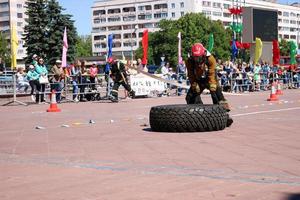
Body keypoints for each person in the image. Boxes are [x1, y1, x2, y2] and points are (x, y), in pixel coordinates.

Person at [185, 43, 230, 111]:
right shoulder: (189, 61)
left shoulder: (210, 58)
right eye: (195, 57)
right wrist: (194, 84)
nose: (197, 59)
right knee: (190, 96)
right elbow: (190, 74)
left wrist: (212, 83)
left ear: (203, 54)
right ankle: (199, 111)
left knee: (215, 92)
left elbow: (212, 72)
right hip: (198, 79)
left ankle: (223, 112)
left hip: (209, 78)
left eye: (199, 57)